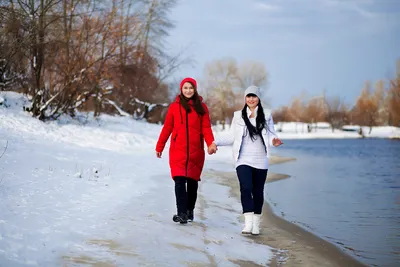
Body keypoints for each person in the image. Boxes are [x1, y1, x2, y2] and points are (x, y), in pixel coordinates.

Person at [212, 85, 283, 235]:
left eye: (254, 96)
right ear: (245, 98)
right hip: (242, 158)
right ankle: (248, 223)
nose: (251, 99)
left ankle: (256, 224)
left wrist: (274, 141)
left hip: (260, 159)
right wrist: (215, 142)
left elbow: (271, 135)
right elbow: (232, 136)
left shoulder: (267, 115)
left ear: (258, 98)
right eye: (248, 96)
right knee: (245, 187)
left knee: (258, 191)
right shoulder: (238, 116)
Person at [156, 77, 217, 224]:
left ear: (195, 89)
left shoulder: (202, 107)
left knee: (192, 183)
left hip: (196, 152)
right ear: (181, 89)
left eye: (191, 88)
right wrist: (160, 146)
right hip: (178, 150)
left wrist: (211, 143)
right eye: (185, 88)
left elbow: (206, 128)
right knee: (179, 181)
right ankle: (181, 213)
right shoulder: (174, 107)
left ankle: (189, 210)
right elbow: (167, 128)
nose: (188, 90)